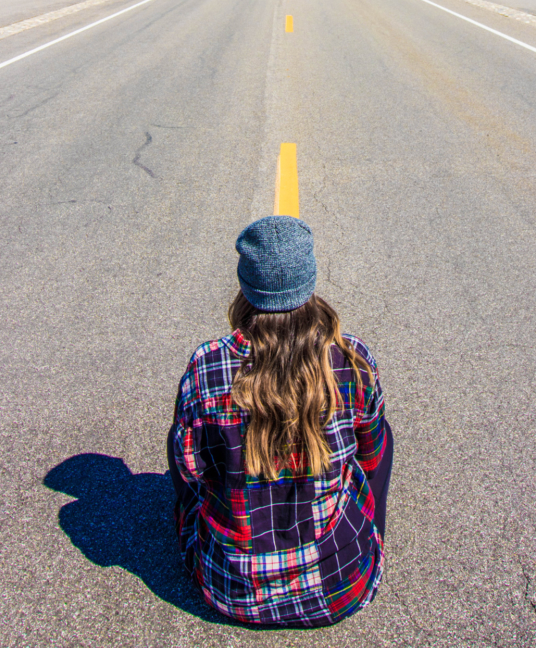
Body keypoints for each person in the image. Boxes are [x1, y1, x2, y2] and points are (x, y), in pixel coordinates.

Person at [167, 215, 393, 628]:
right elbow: (372, 453)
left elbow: (190, 469)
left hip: (231, 591)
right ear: (310, 279)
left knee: (183, 444)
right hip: (340, 587)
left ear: (245, 286)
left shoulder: (208, 367)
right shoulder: (351, 360)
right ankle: (369, 534)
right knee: (377, 434)